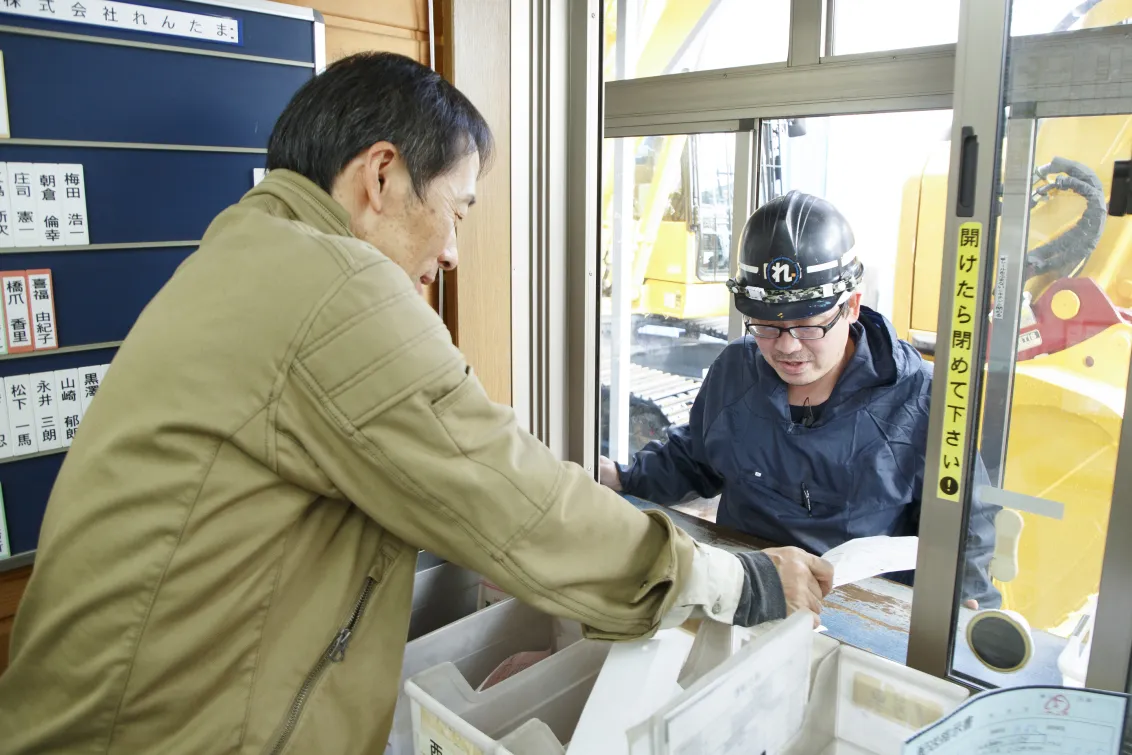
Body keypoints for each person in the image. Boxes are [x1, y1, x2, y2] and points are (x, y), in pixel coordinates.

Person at [0, 54, 833, 754]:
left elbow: (458, 469)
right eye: (458, 208)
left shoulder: (246, 253)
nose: (453, 249)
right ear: (383, 173)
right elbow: (514, 495)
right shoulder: (335, 289)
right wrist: (738, 581)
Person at [599, 190, 1000, 609]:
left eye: (809, 326)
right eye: (768, 327)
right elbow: (694, 459)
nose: (786, 348)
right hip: (747, 589)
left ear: (852, 307)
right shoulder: (737, 369)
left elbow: (967, 526)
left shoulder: (922, 400)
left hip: (856, 609)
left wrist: (967, 609)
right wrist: (624, 478)